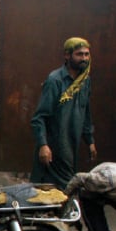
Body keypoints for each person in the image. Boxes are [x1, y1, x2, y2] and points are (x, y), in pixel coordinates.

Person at [30, 37, 97, 189]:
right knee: (53, 189)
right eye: (79, 54)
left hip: (72, 146)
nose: (84, 59)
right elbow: (39, 117)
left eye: (87, 54)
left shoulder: (85, 81)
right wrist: (43, 145)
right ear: (67, 56)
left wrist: (90, 140)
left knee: (65, 189)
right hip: (55, 146)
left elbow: (86, 112)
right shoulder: (55, 81)